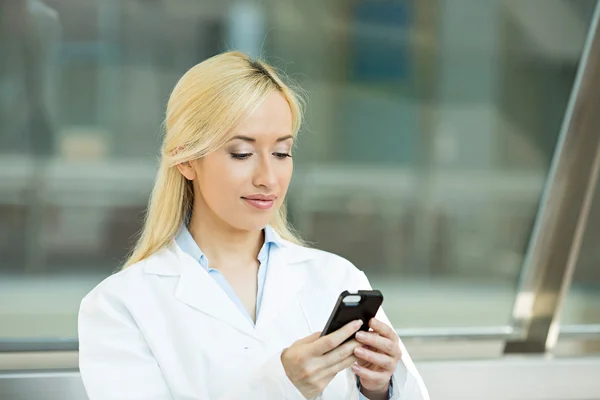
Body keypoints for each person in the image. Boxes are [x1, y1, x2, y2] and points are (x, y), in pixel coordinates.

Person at [78, 51, 429, 400]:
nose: (268, 178)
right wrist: (282, 386)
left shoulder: (337, 278)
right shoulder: (120, 306)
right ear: (186, 159)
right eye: (242, 154)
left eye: (281, 153)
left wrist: (380, 389)